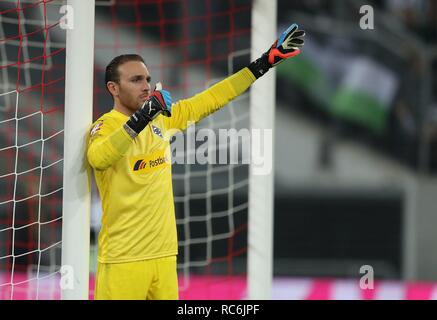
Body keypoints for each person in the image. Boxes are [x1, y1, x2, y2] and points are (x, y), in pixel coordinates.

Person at [87, 23, 305, 300]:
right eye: (136, 80)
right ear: (113, 88)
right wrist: (141, 118)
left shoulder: (163, 120)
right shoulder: (106, 125)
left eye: (147, 79)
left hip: (164, 256)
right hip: (123, 258)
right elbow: (99, 158)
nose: (145, 86)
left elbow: (212, 98)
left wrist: (264, 63)